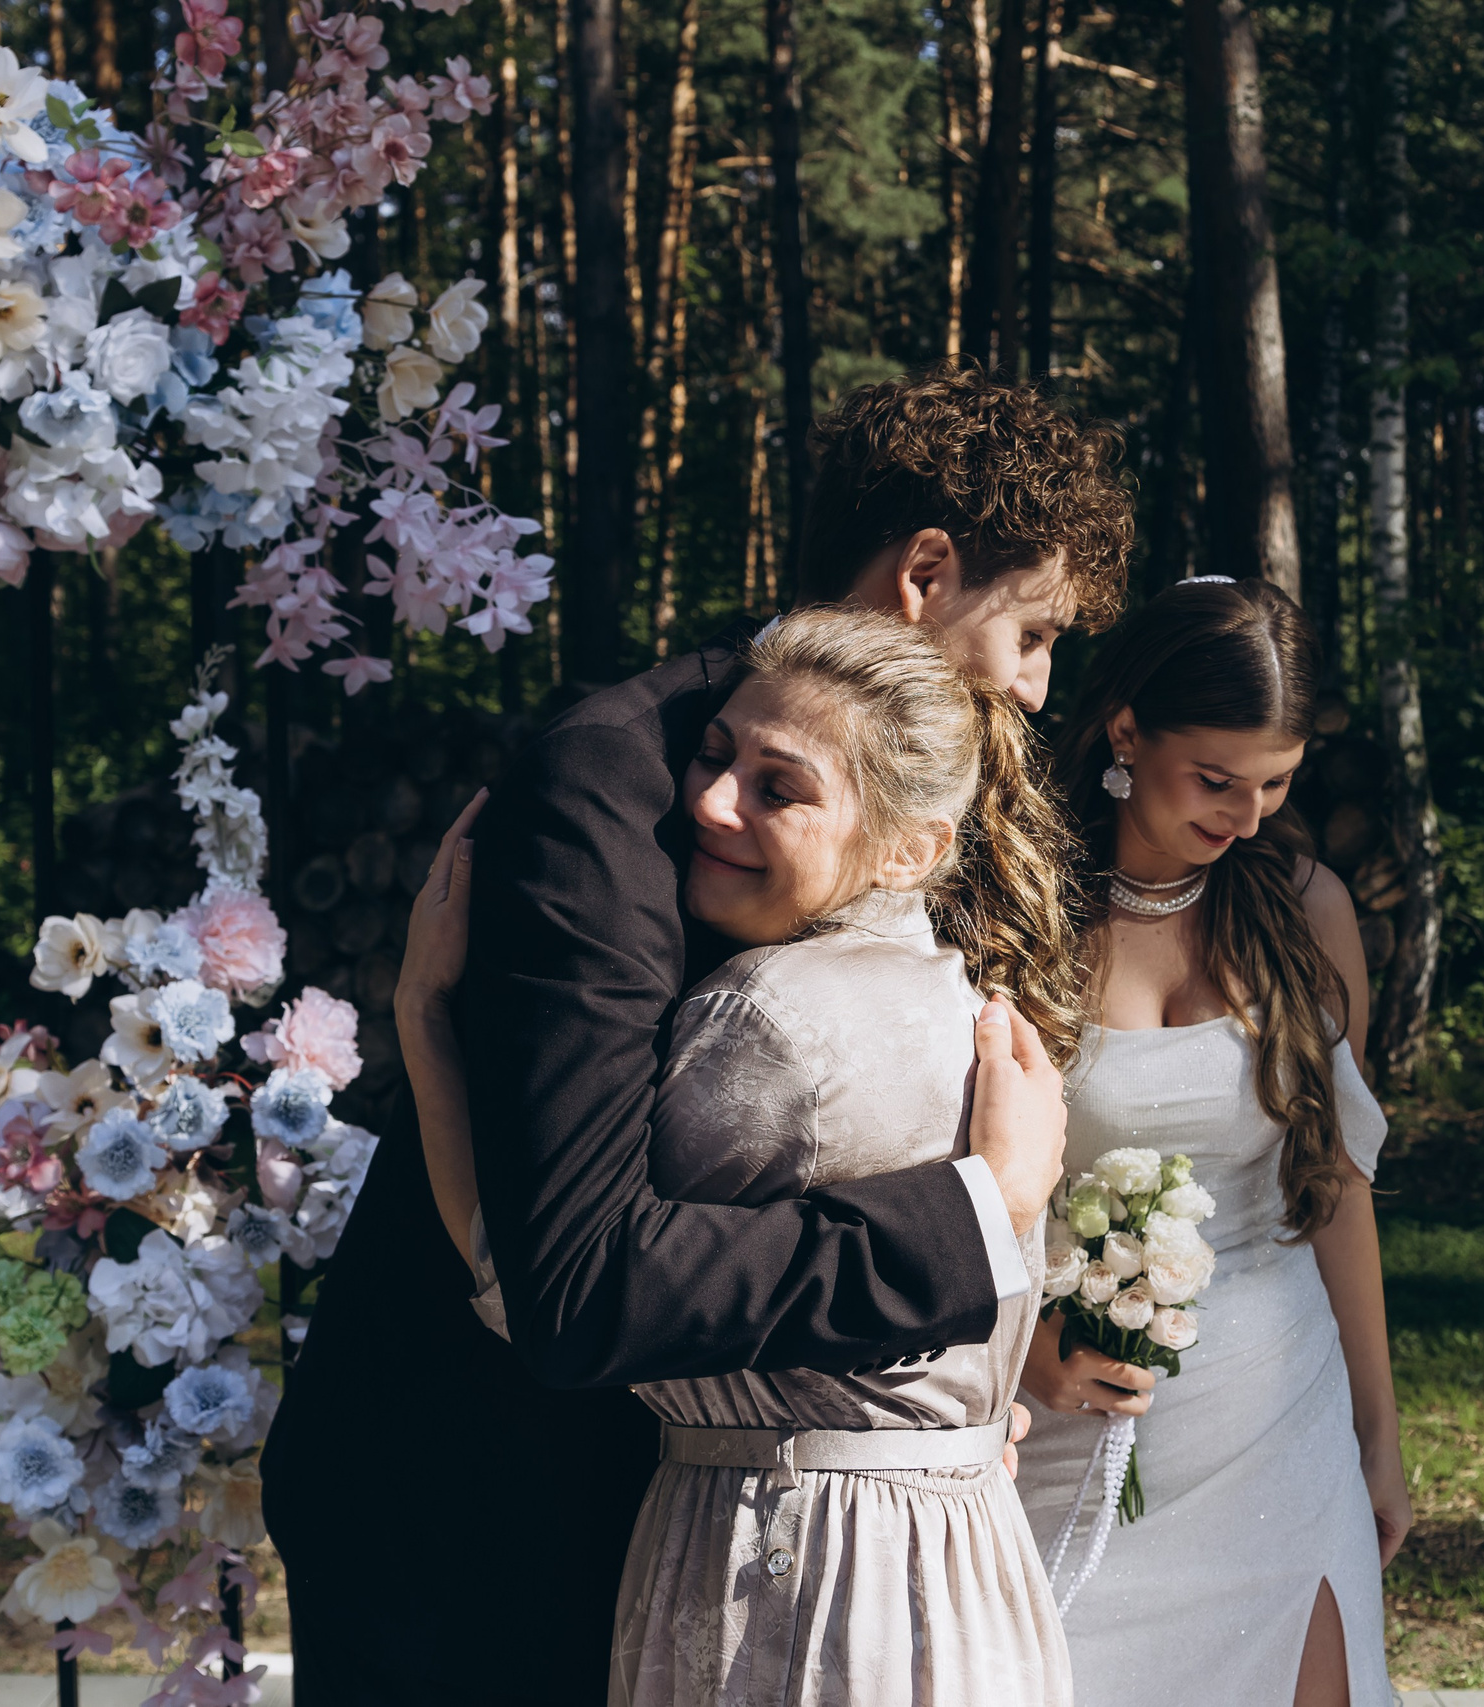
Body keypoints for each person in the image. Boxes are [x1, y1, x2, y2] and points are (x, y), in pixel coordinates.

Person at [262, 361, 1134, 1706]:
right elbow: (586, 1272)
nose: (1032, 688)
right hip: (473, 1516)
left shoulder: (896, 793)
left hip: (709, 1515)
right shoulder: (615, 781)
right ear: (925, 571)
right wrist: (965, 1222)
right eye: (1031, 633)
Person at [401, 608, 1079, 1706]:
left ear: (912, 848)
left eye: (781, 786)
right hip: (966, 1575)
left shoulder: (766, 1017)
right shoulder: (966, 1006)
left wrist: (427, 1023)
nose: (709, 802)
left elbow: (552, 1295)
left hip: (801, 1580)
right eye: (714, 756)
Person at [1012, 577, 1411, 1707]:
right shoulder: (1024, 909)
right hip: (1073, 1410)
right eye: (1215, 779)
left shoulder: (1302, 906)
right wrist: (1027, 1343)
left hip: (1280, 1405)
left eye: (1275, 782)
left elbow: (1332, 1185)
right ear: (1126, 729)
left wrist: (1377, 1434)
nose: (1244, 816)